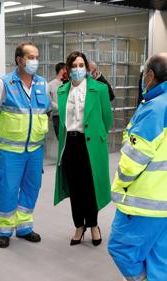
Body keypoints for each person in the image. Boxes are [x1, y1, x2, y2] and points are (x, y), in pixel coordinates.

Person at [108, 53, 167, 281]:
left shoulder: (155, 108)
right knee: (159, 257)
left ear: (150, 75)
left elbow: (133, 161)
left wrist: (121, 184)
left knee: (121, 248)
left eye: (144, 74)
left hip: (145, 202)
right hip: (163, 203)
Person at [0, 42, 51, 248]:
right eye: (30, 57)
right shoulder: (3, 84)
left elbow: (45, 112)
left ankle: (24, 227)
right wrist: (9, 133)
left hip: (35, 150)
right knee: (8, 188)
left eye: (36, 57)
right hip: (11, 151)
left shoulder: (42, 84)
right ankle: (4, 230)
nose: (34, 61)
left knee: (32, 187)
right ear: (19, 60)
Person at [54, 51, 112, 246]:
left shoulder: (99, 89)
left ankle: (94, 225)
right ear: (68, 69)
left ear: (87, 68)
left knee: (91, 187)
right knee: (75, 187)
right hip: (70, 144)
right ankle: (79, 225)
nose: (78, 69)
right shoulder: (63, 91)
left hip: (91, 144)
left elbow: (107, 120)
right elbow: (62, 120)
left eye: (81, 65)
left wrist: (97, 136)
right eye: (74, 66)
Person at [48, 62, 66, 139]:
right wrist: (59, 107)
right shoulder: (50, 85)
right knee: (61, 140)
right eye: (66, 69)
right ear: (62, 70)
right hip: (57, 116)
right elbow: (49, 101)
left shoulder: (68, 84)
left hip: (69, 116)